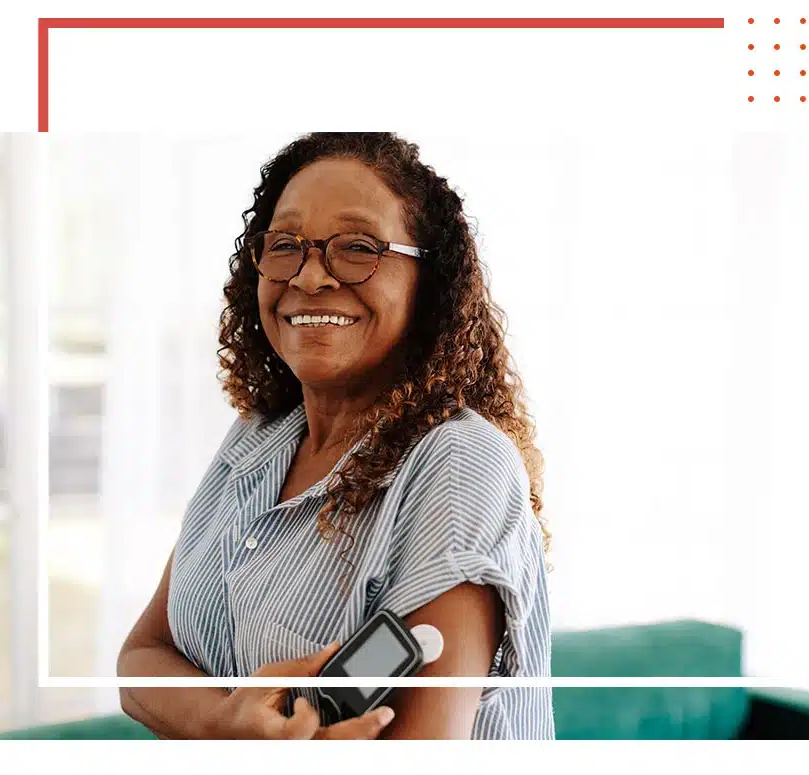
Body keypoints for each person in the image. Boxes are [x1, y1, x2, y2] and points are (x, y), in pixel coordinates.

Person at [118, 132, 553, 740]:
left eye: (356, 248)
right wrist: (224, 724)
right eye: (286, 245)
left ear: (428, 282)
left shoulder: (459, 465)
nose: (311, 276)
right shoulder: (259, 434)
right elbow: (142, 657)